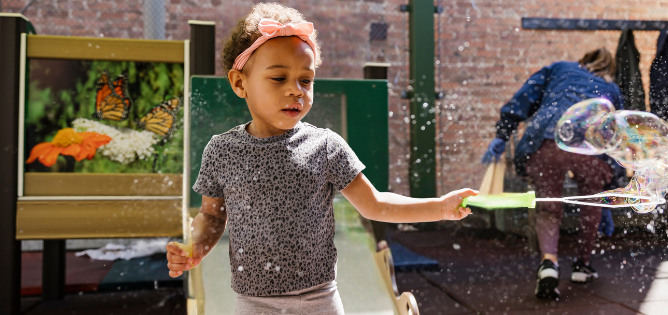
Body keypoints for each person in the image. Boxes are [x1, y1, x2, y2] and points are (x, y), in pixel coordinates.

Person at [163, 3, 478, 314]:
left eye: (306, 80)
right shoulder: (222, 150)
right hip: (254, 303)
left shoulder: (325, 145)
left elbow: (375, 203)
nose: (296, 90)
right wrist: (196, 247)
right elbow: (213, 216)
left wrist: (440, 207)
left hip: (320, 300)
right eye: (278, 78)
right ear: (239, 82)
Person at [482, 48, 624, 300]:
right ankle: (582, 265)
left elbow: (525, 97)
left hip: (549, 138)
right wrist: (613, 183)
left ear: (583, 60)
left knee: (549, 205)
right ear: (608, 69)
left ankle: (548, 263)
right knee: (591, 203)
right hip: (591, 149)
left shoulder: (559, 68)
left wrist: (502, 135)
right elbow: (617, 136)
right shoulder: (610, 89)